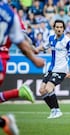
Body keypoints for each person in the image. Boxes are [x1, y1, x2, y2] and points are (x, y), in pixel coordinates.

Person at [0, 1, 45, 135]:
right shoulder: (10, 14)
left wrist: (33, 56)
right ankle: (5, 122)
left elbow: (21, 39)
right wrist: (34, 58)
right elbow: (21, 40)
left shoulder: (11, 14)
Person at [35, 20, 70, 119]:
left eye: (61, 27)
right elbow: (43, 47)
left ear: (63, 29)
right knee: (41, 90)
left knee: (49, 88)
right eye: (57, 27)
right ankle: (53, 110)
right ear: (54, 28)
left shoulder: (67, 41)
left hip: (61, 70)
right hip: (51, 69)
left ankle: (57, 110)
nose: (59, 29)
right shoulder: (51, 38)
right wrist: (35, 49)